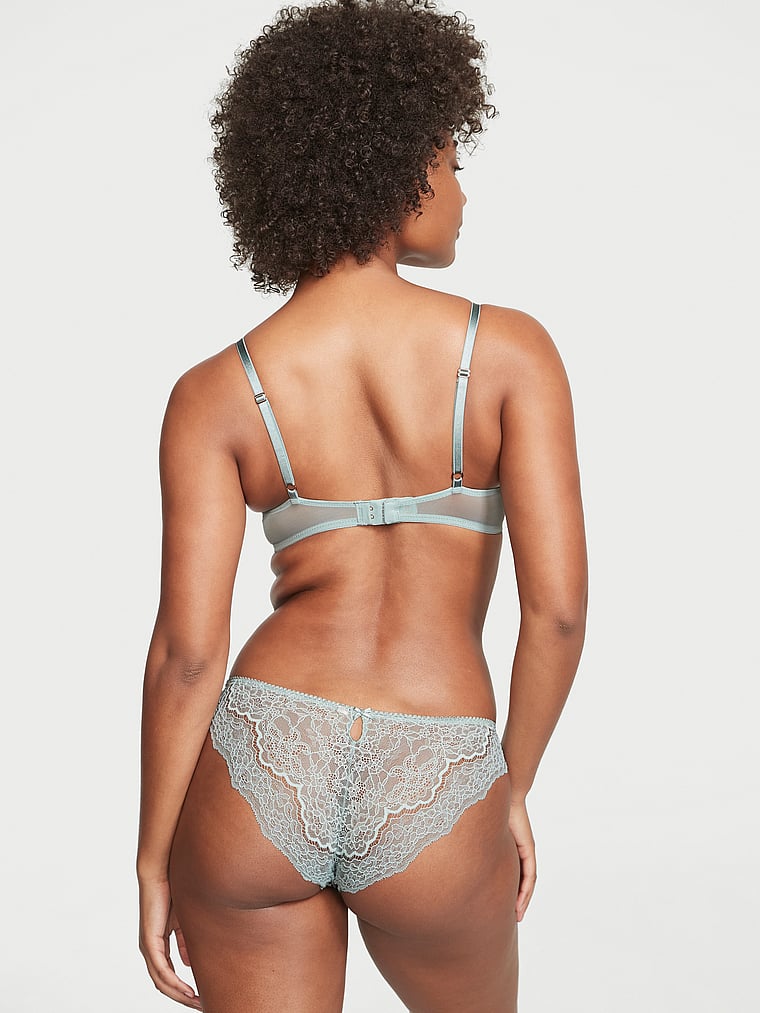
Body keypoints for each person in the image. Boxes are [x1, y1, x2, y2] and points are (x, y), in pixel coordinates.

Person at [137, 1, 588, 1010]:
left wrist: (154, 853)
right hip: (437, 761)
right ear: (395, 169)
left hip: (262, 756)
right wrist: (509, 786)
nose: (462, 191)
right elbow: (557, 612)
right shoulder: (510, 353)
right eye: (452, 162)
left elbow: (187, 654)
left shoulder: (213, 392)